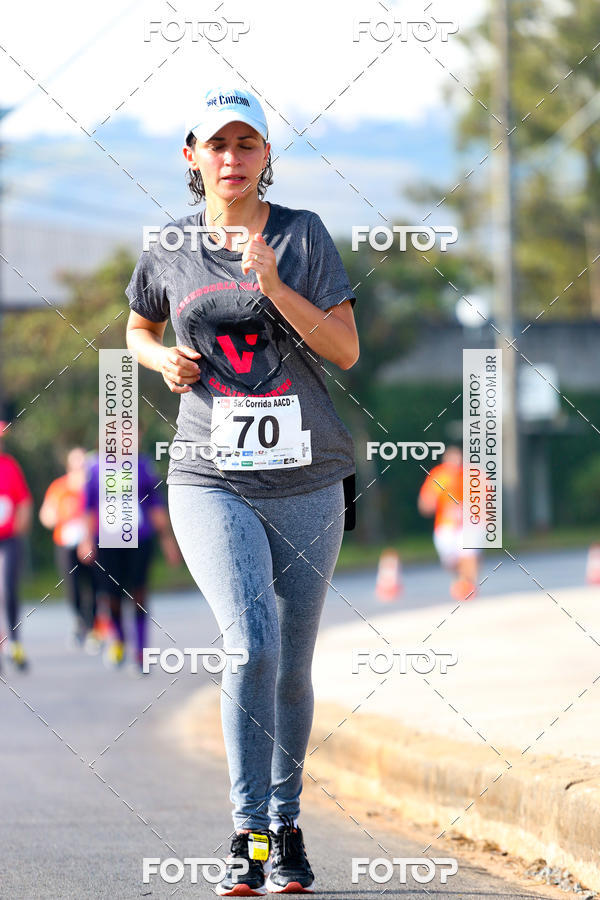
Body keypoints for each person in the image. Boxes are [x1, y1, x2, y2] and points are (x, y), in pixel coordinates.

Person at [125, 85, 359, 896]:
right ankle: (247, 831)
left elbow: (345, 349)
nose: (232, 158)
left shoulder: (301, 237)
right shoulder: (167, 244)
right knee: (249, 640)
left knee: (291, 664)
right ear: (192, 156)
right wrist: (160, 361)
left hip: (308, 476)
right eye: (216, 145)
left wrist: (275, 286)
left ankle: (288, 822)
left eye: (247, 144)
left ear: (266, 156)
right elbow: (138, 326)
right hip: (207, 474)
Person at [77, 451, 180, 672]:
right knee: (110, 596)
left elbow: (155, 504)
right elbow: (88, 506)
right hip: (106, 540)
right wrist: (86, 540)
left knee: (139, 593)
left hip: (140, 539)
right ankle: (120, 639)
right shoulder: (95, 468)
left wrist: (168, 540)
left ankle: (141, 653)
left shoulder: (143, 465)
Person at [39, 447, 98, 647]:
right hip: (66, 543)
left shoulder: (93, 486)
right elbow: (46, 515)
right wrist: (53, 516)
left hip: (90, 541)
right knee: (72, 586)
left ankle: (93, 627)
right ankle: (80, 621)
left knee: (93, 584)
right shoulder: (59, 487)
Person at [418, 445, 481, 601]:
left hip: (468, 525)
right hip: (445, 526)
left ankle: (468, 586)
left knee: (469, 553)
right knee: (450, 561)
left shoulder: (472, 475)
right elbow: (425, 504)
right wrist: (432, 501)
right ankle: (461, 580)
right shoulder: (438, 476)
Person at [0, 420, 33, 670]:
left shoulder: (9, 466)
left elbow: (24, 500)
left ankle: (15, 642)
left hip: (9, 539)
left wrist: (22, 522)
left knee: (8, 589)